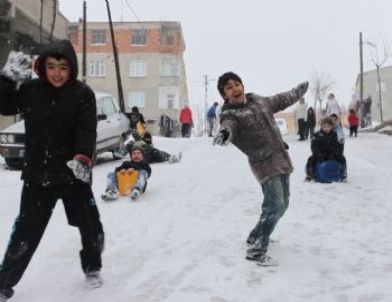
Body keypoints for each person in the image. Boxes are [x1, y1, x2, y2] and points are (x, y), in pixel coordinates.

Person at [0, 40, 105, 301]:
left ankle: (92, 267)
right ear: (42, 67)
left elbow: (86, 130)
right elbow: (4, 105)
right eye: (51, 67)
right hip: (38, 176)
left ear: (72, 68)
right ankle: (4, 283)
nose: (57, 73)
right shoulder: (31, 90)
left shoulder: (83, 94)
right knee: (24, 235)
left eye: (63, 67)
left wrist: (83, 159)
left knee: (91, 227)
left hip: (73, 175)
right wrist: (8, 78)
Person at [213, 71, 308, 265]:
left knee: (283, 205)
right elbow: (228, 127)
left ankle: (255, 235)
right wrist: (225, 133)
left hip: (281, 158)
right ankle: (256, 250)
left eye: (237, 84)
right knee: (275, 205)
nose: (235, 89)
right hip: (263, 163)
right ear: (224, 95)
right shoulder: (230, 115)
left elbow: (282, 99)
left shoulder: (259, 101)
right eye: (229, 87)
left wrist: (298, 91)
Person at [305, 117, 346, 182]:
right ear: (321, 126)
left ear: (331, 126)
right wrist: (319, 154)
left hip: (332, 154)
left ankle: (343, 174)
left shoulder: (335, 135)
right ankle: (309, 175)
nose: (326, 128)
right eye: (324, 127)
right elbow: (314, 147)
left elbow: (337, 146)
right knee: (311, 159)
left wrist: (333, 154)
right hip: (320, 153)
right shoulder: (316, 135)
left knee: (342, 158)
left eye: (328, 127)